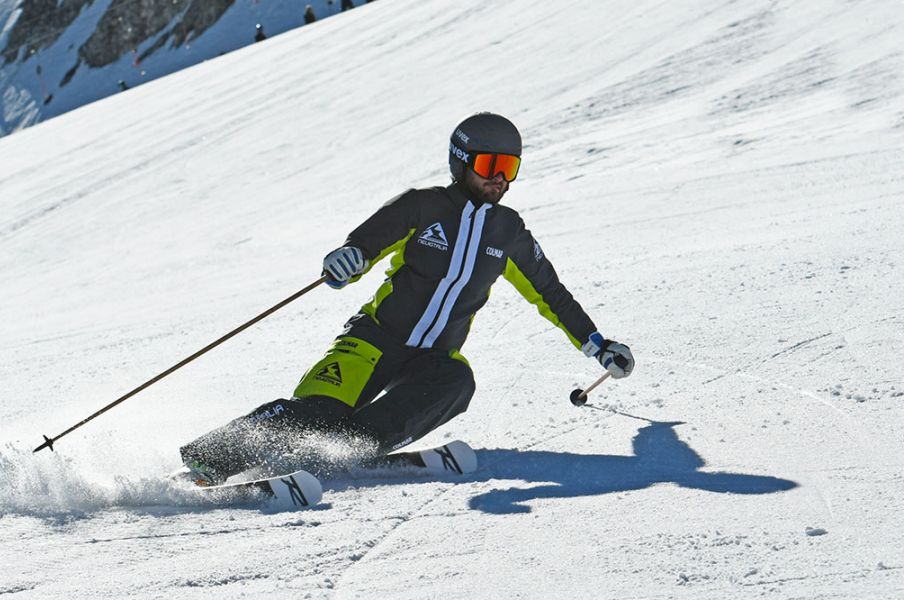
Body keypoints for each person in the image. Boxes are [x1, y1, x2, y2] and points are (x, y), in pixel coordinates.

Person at [177, 113, 634, 485]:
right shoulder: (423, 206)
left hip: (432, 359)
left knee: (457, 382)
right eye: (489, 166)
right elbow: (365, 244)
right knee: (317, 411)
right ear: (461, 162)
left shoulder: (508, 231)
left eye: (509, 169)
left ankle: (344, 449)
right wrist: (346, 260)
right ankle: (207, 461)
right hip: (372, 342)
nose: (498, 179)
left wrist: (598, 345)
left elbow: (550, 293)